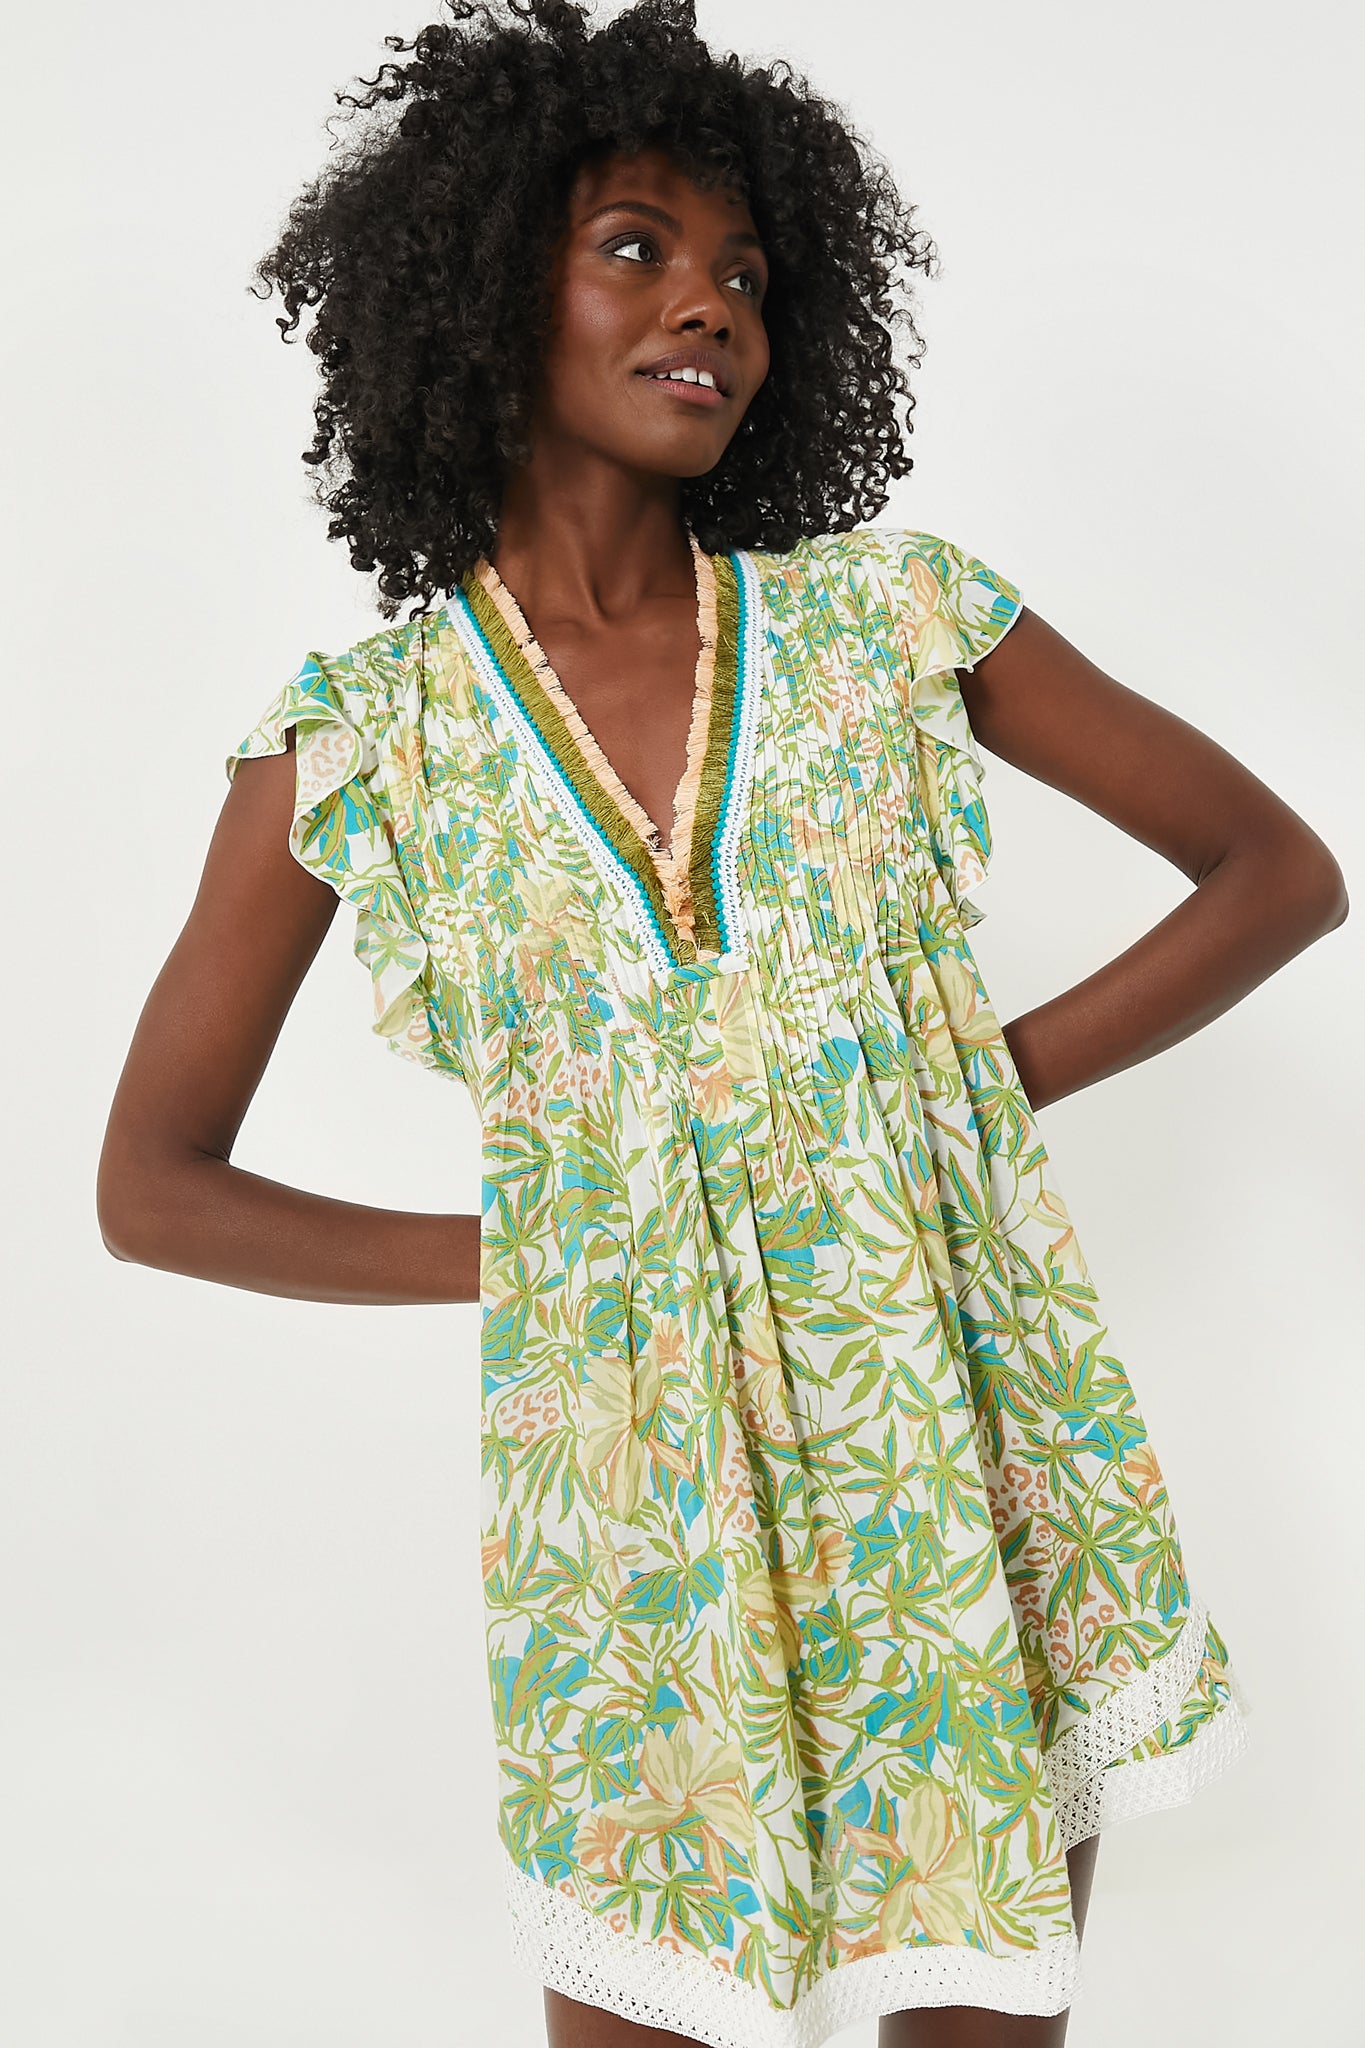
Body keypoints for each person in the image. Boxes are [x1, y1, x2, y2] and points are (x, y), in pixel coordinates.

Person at [96, 2, 1346, 2044]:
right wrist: (543, 1249)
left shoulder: (893, 621)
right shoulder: (363, 744)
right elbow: (152, 1187)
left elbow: (1273, 873)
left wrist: (949, 1092)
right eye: (636, 249)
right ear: (480, 289)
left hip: (948, 1444)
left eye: (746, 276)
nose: (710, 308)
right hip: (631, 1499)